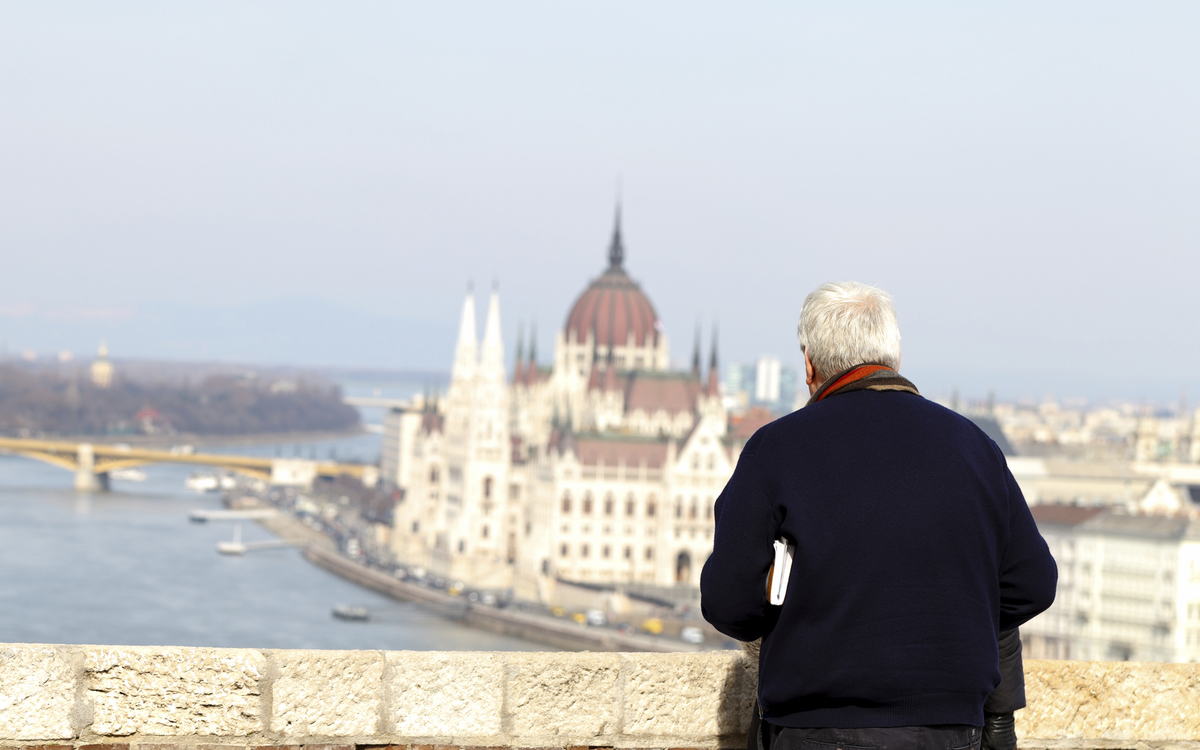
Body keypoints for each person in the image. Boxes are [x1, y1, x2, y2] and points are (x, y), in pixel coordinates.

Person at [701, 281, 1057, 750]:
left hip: (817, 729)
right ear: (895, 356)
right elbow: (1032, 584)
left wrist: (801, 600)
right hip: (951, 731)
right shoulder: (974, 448)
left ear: (809, 365)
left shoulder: (779, 449)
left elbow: (728, 602)